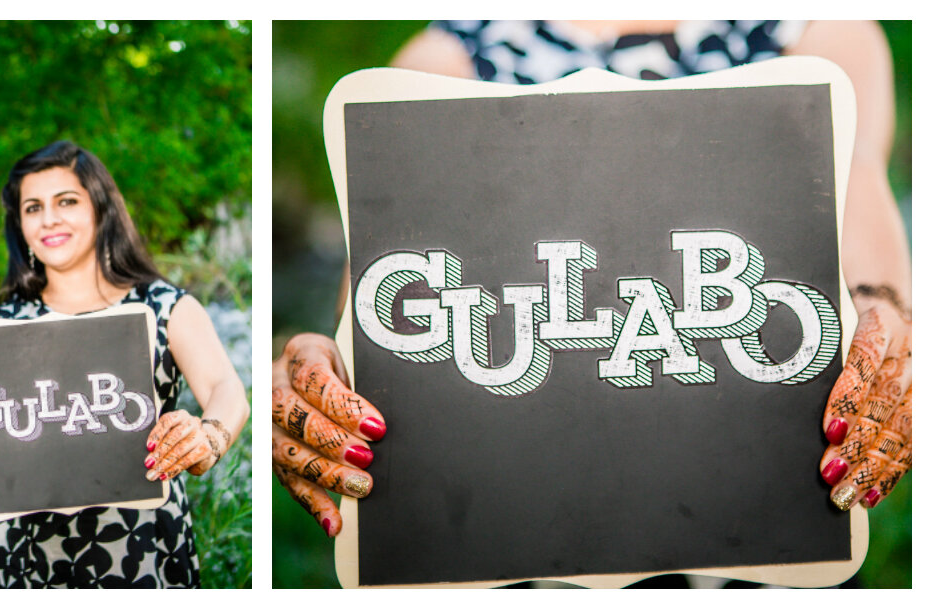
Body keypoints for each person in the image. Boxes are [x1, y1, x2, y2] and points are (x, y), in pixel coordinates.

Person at [273, 20, 911, 543]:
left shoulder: (814, 33)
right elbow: (377, 327)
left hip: (763, 536)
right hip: (509, 547)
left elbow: (863, 246)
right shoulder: (444, 60)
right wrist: (322, 378)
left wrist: (891, 339)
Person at [0, 140, 251, 588]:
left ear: (101, 209)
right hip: (28, 560)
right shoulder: (0, 325)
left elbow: (226, 390)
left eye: (67, 201)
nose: (49, 218)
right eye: (33, 207)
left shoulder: (164, 306)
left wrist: (208, 436)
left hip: (143, 553)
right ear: (19, 225)